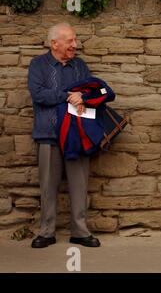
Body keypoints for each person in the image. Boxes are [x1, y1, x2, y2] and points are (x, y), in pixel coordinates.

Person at [28, 23, 100, 248]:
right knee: (48, 186)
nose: (74, 45)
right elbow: (39, 94)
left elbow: (90, 90)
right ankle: (47, 231)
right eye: (70, 41)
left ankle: (80, 231)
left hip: (77, 134)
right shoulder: (38, 64)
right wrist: (68, 95)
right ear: (54, 43)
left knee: (79, 184)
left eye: (74, 40)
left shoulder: (80, 65)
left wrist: (83, 97)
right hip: (48, 134)